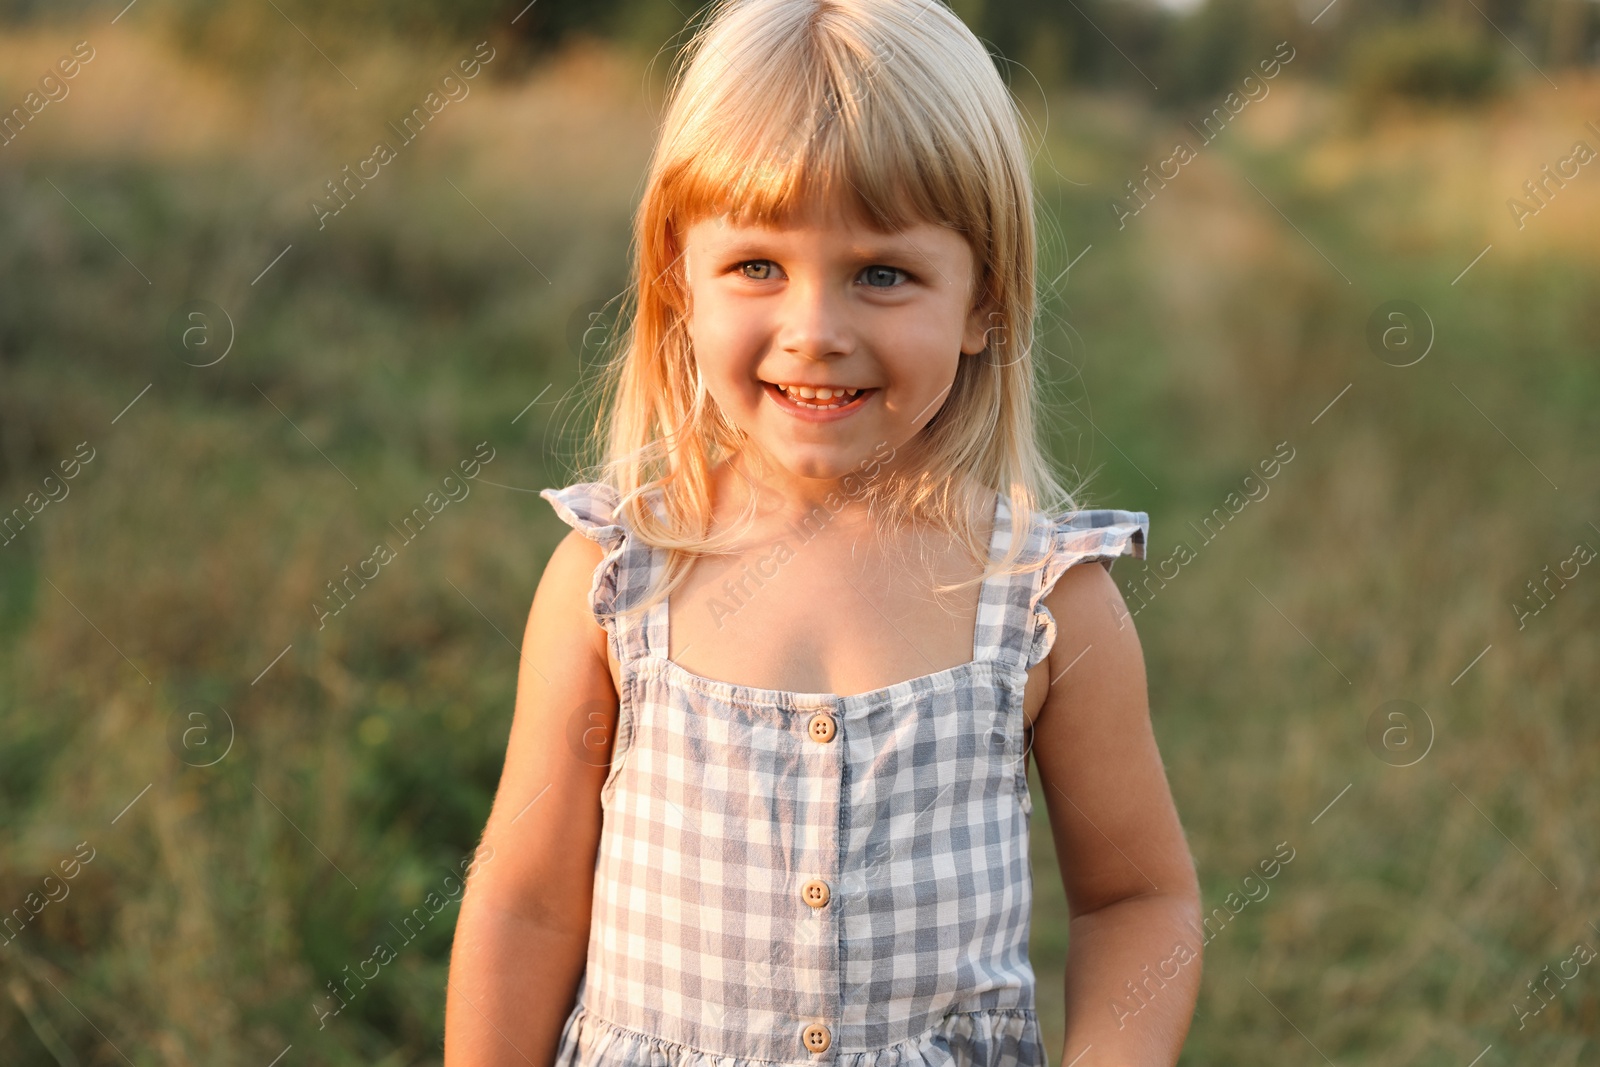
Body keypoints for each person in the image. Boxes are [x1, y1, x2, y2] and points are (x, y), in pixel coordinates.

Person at [444, 1, 1201, 1064]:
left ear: (985, 297)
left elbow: (1137, 897)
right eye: (758, 265)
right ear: (678, 278)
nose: (815, 330)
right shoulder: (613, 580)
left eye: (881, 273)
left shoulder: (1042, 601)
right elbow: (524, 902)